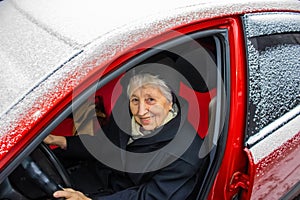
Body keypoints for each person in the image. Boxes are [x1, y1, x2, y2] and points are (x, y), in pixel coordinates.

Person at [45, 73, 208, 200]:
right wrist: (61, 141)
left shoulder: (186, 154)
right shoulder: (126, 114)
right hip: (95, 176)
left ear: (170, 102)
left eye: (150, 100)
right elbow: (104, 143)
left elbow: (149, 197)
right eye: (135, 100)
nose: (141, 111)